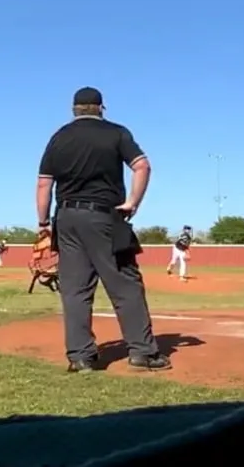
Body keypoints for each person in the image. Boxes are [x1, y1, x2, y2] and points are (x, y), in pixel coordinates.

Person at [36, 86, 171, 373]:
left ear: (74, 110)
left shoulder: (59, 137)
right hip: (104, 217)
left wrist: (44, 224)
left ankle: (80, 357)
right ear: (101, 108)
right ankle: (143, 353)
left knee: (75, 289)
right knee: (125, 284)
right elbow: (142, 166)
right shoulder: (116, 133)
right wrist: (132, 202)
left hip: (67, 218)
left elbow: (44, 183)